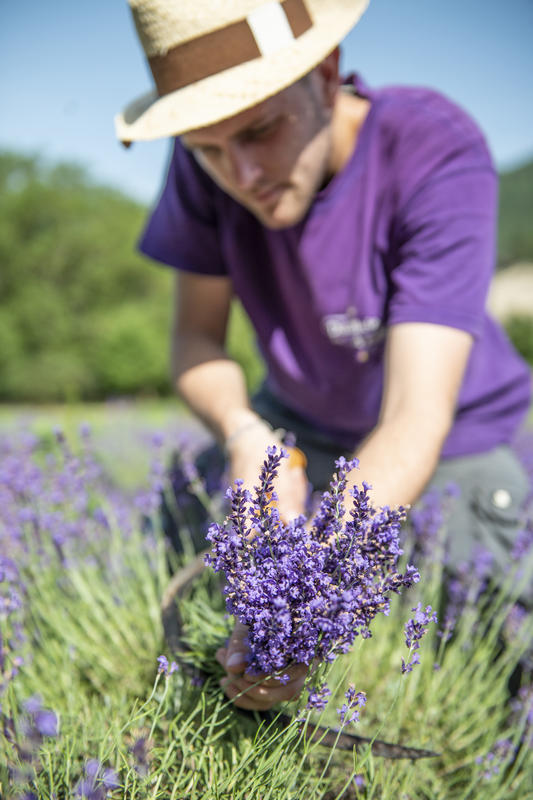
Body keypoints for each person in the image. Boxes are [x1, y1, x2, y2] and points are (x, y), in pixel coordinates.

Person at [116, 0, 532, 711]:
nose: (241, 173)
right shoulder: (206, 164)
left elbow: (412, 415)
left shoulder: (430, 147)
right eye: (207, 150)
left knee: (486, 646)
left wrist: (310, 592)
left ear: (326, 71)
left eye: (260, 130)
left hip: (451, 430)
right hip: (296, 418)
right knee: (198, 567)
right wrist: (246, 436)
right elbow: (195, 341)